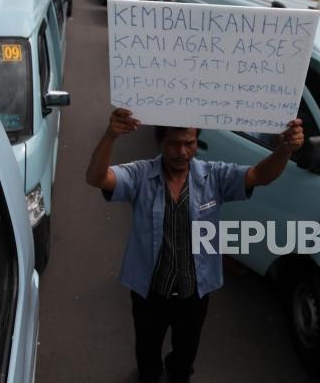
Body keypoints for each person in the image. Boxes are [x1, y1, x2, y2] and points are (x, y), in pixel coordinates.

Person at [85, 109, 304, 382]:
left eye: (189, 143)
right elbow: (96, 178)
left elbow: (261, 175)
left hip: (194, 292)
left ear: (196, 142)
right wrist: (110, 136)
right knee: (147, 349)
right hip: (149, 290)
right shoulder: (140, 175)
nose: (181, 152)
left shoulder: (214, 176)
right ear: (160, 143)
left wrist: (284, 150)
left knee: (185, 354)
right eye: (174, 144)